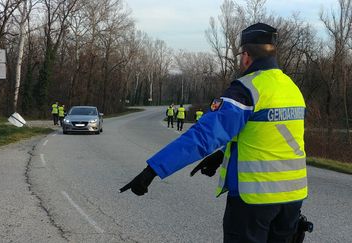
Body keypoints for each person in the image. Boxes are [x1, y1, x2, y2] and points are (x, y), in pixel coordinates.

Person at [120, 23, 307, 243]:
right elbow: (271, 136)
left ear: (246, 56)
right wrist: (222, 155)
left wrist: (152, 170)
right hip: (293, 199)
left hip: (254, 200)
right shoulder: (291, 87)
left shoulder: (247, 89)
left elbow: (203, 136)